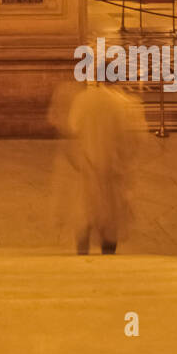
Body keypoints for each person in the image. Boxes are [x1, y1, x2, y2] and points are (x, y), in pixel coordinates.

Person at [66, 82, 142, 255]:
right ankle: (107, 260)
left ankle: (82, 258)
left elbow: (73, 126)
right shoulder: (125, 103)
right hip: (114, 170)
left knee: (86, 213)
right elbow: (135, 138)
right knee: (111, 220)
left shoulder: (83, 99)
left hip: (88, 164)